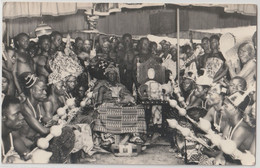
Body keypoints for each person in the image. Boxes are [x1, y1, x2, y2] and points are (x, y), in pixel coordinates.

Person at [216, 91, 255, 165]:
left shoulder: (241, 129)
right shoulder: (230, 123)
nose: (221, 107)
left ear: (235, 109)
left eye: (225, 106)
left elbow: (224, 155)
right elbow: (221, 153)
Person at [2, 96, 30, 162]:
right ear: (2, 117)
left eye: (21, 113)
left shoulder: (13, 135)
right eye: (16, 114)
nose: (22, 117)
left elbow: (27, 154)